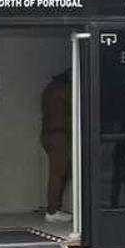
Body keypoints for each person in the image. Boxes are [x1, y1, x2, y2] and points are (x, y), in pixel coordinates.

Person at [40, 70, 73, 223]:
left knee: (62, 171)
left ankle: (55, 208)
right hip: (58, 135)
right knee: (57, 173)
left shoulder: (50, 89)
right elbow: (76, 102)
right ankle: (52, 210)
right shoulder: (62, 90)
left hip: (51, 134)